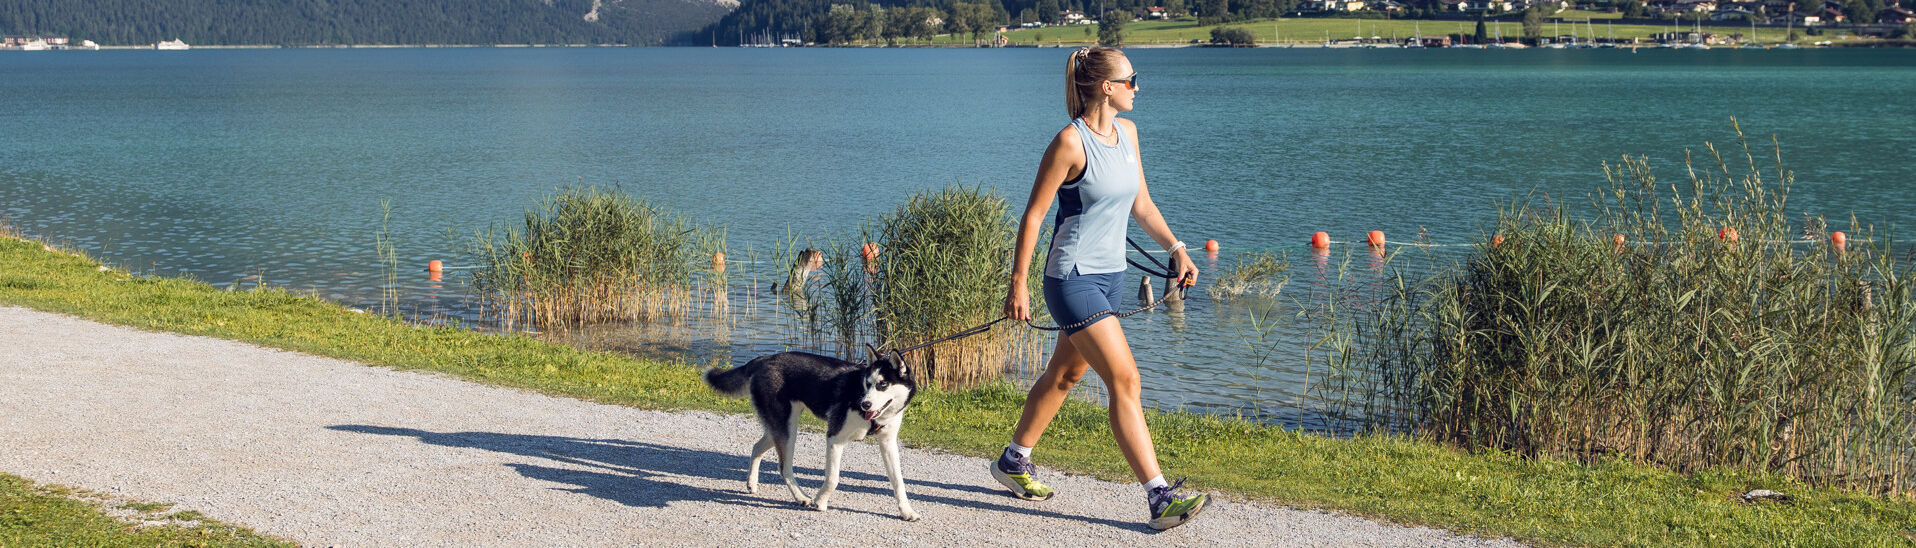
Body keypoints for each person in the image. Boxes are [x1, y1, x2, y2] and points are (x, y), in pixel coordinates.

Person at [991, 46, 1207, 531]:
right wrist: (1018, 285)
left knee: (1064, 378)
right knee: (1125, 380)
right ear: (1106, 87)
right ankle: (1159, 497)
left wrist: (1176, 248)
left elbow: (1143, 205)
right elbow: (1033, 216)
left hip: (1112, 277)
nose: (1138, 87)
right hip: (1072, 279)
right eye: (1132, 79)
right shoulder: (1070, 143)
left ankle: (1013, 459)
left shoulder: (1128, 133)